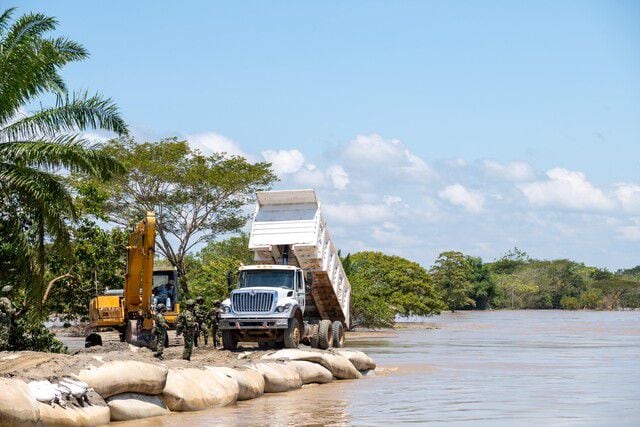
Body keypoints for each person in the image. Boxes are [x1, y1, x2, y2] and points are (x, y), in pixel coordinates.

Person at [0, 286, 15, 350]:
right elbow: (9, 311)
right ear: (9, 292)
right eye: (11, 292)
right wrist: (15, 310)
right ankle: (3, 348)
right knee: (5, 334)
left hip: (1, 319)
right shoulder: (7, 300)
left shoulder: (1, 299)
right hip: (5, 319)